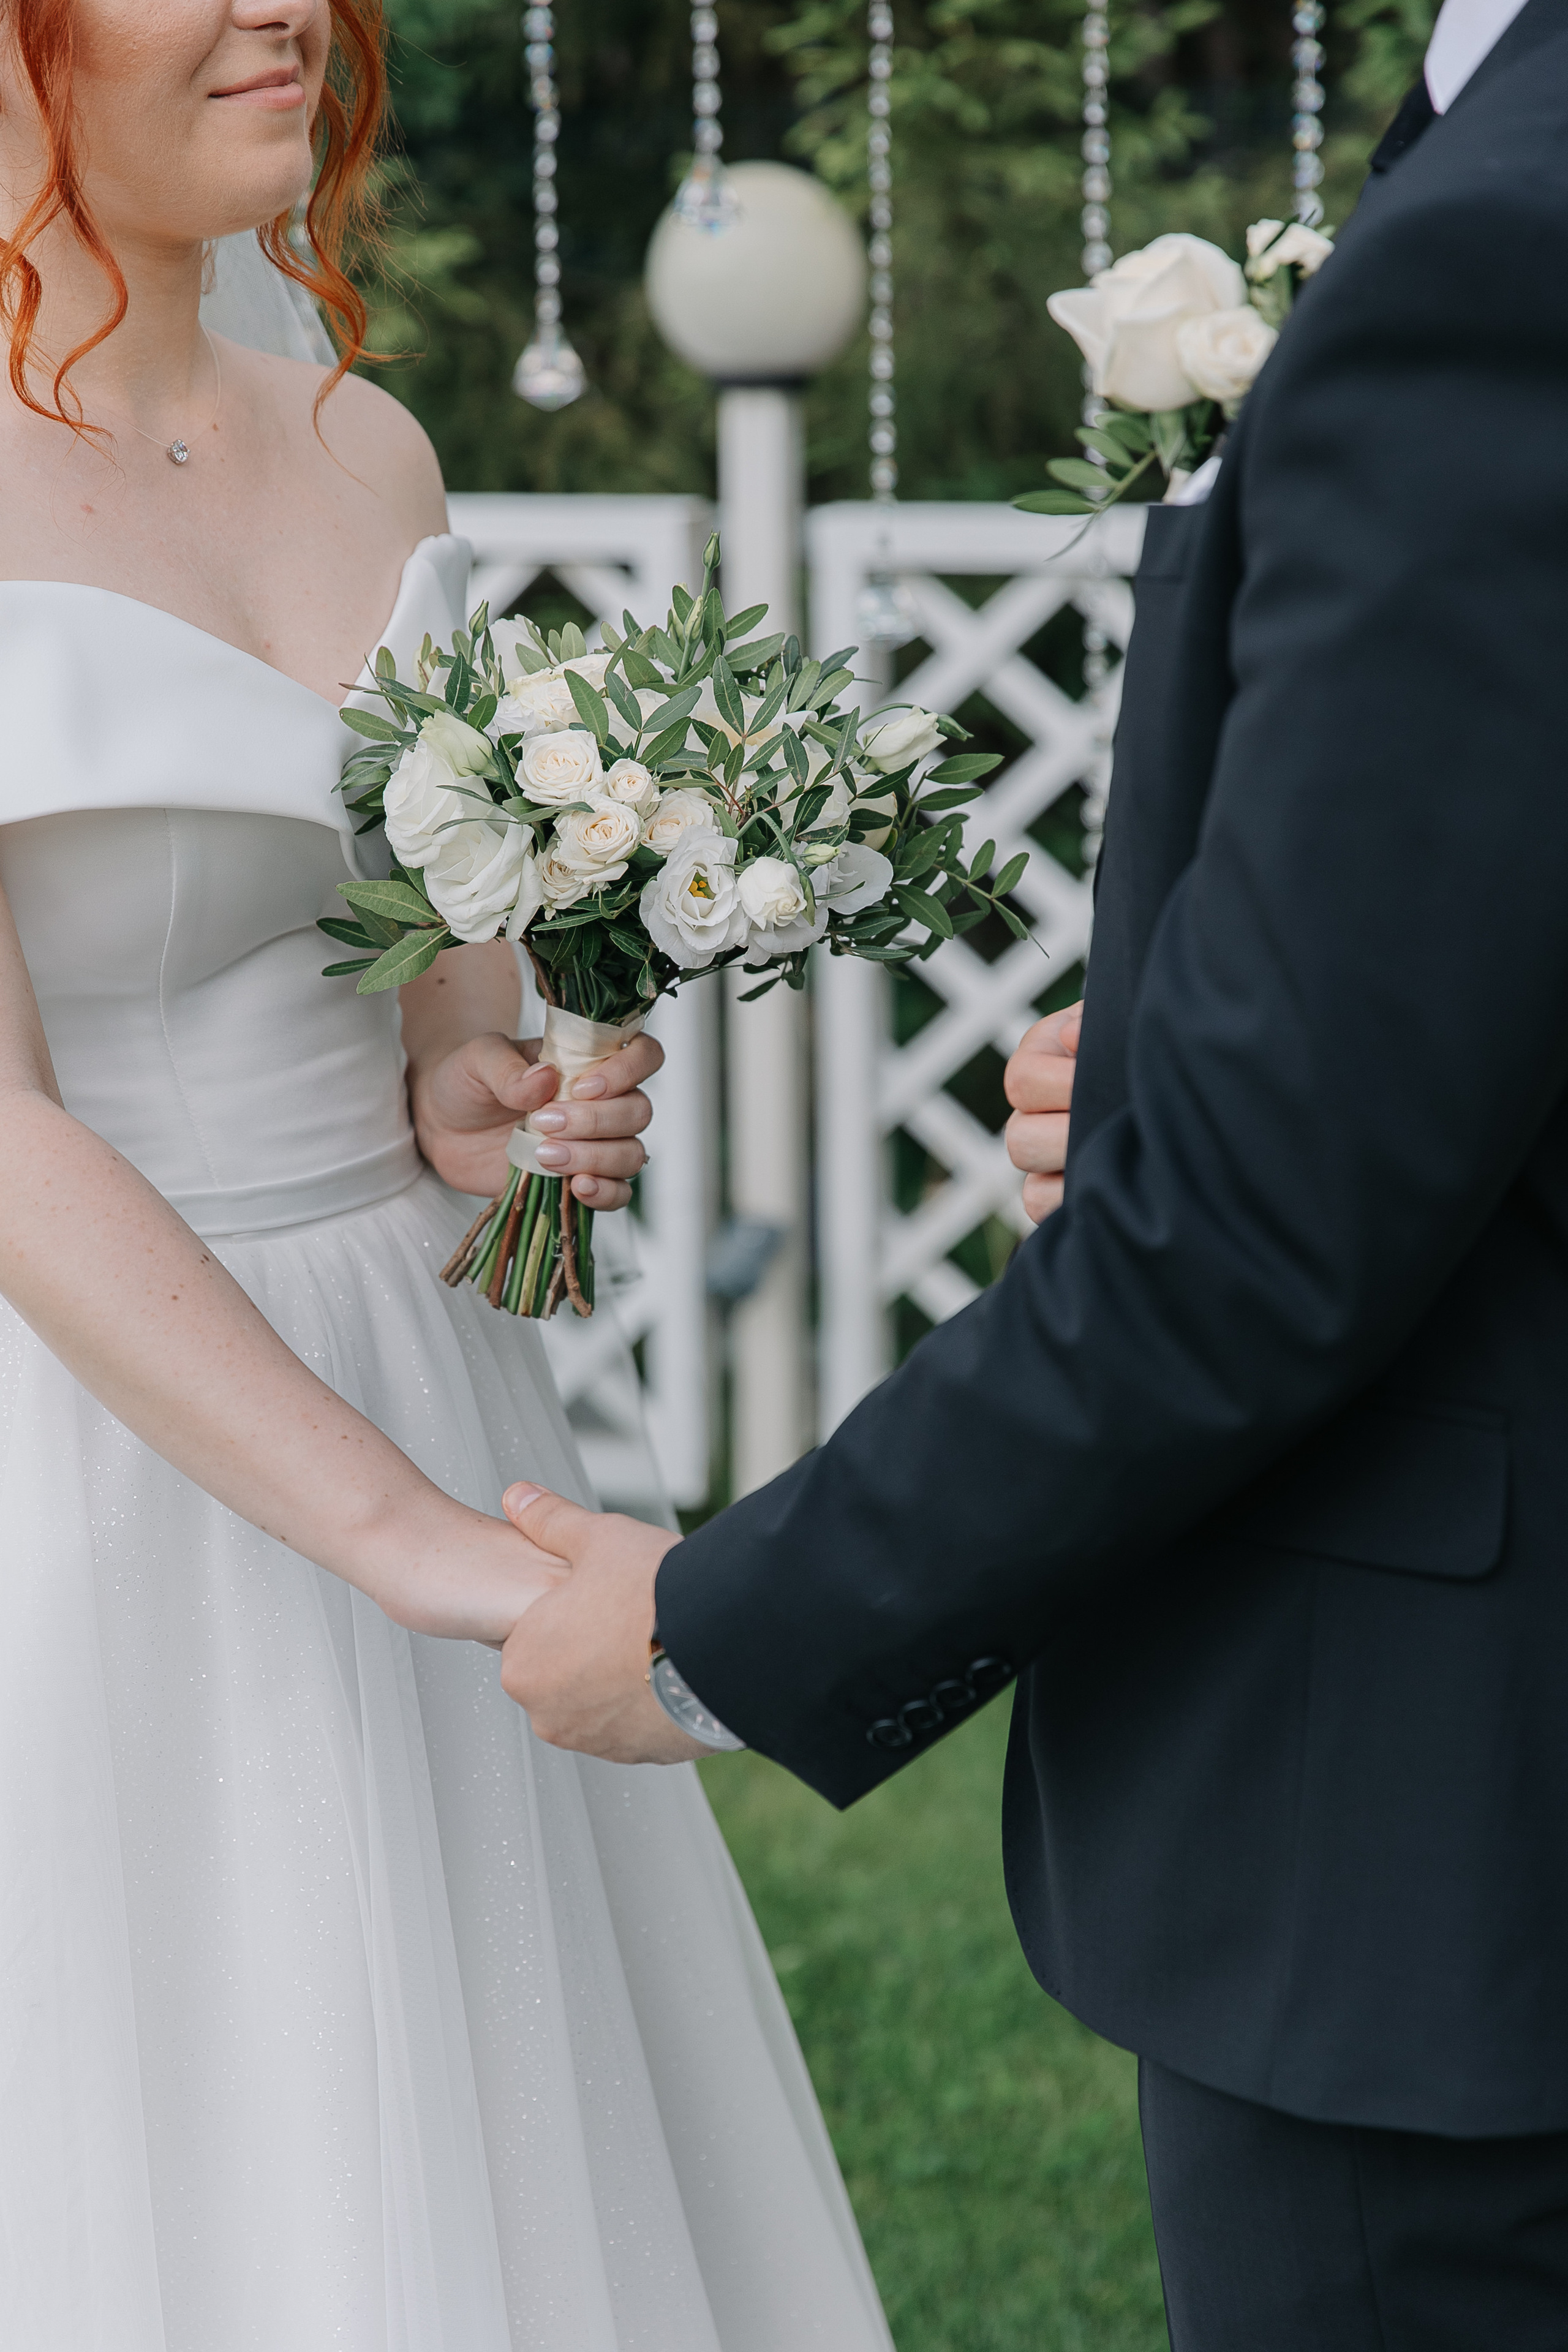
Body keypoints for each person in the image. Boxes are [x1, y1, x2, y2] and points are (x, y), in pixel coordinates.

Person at [499, 0, 1568, 2341]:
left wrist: (716, 1637)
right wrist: (1282, 1037)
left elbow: (1263, 1233)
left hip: (1456, 1879)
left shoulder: (1510, 245)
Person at [0, 7, 897, 2347]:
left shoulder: (363, 441)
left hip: (433, 1359)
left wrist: (494, 1097)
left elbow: (427, 1006)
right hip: (83, 1441)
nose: (284, 4)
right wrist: (410, 1547)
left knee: (508, 2126)